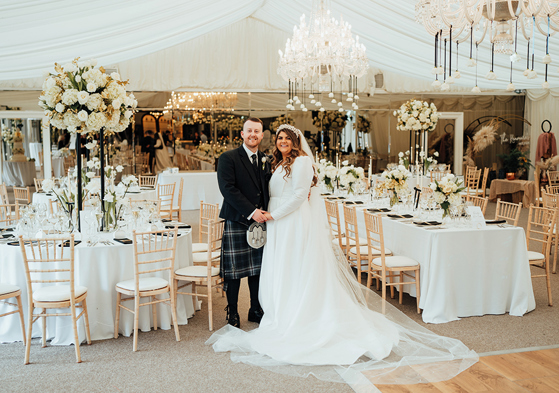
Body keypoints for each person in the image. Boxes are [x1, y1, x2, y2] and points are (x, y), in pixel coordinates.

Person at [208, 124, 477, 387]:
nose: (282, 141)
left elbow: (301, 194)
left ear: (295, 141)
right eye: (279, 137)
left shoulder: (301, 162)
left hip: (289, 221)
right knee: (279, 267)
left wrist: (273, 215)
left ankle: (295, 315)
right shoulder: (275, 162)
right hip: (276, 224)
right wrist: (268, 215)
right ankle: (275, 311)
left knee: (295, 267)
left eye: (287, 138)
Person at [216, 117, 271, 328]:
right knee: (233, 271)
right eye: (249, 131)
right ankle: (232, 312)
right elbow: (227, 189)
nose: (253, 134)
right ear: (242, 133)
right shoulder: (228, 158)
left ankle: (255, 308)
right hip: (238, 219)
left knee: (257, 270)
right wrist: (251, 211)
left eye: (257, 131)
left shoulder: (266, 159)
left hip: (261, 222)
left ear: (262, 135)